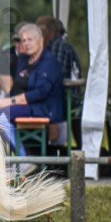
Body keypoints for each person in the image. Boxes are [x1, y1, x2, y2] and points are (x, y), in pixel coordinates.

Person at [0, 23, 64, 175]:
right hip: (28, 106)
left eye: (30, 40)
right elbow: (17, 88)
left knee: (2, 116)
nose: (26, 44)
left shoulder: (49, 62)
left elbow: (41, 93)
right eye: (23, 40)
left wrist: (10, 102)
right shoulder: (25, 61)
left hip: (42, 108)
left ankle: (23, 160)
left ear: (41, 40)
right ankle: (3, 162)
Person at [37, 15, 83, 147]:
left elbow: (53, 82)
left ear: (50, 30)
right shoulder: (56, 46)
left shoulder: (57, 47)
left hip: (62, 101)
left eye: (38, 28)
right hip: (63, 100)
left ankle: (32, 156)